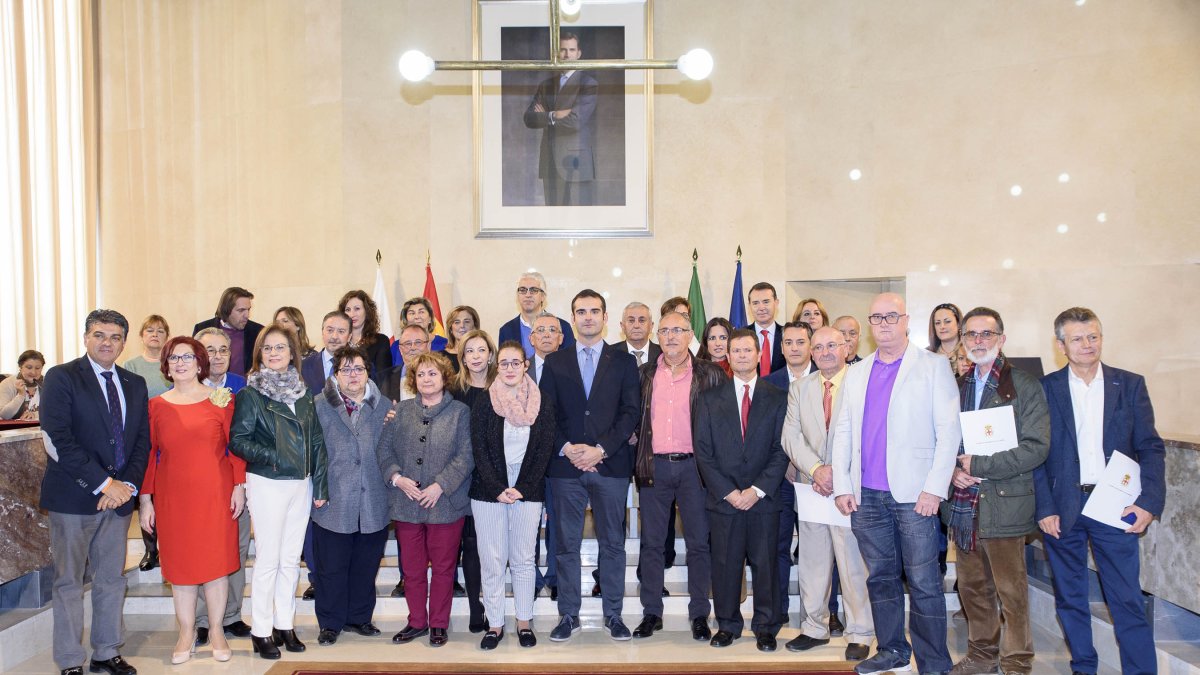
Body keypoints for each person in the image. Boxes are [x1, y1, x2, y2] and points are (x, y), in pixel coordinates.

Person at [830, 292, 960, 675]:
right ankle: (892, 651)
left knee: (924, 581)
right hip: (867, 496)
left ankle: (934, 662)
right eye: (876, 318)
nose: (884, 324)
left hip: (915, 495)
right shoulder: (857, 371)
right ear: (869, 325)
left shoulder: (933, 366)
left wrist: (935, 488)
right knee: (881, 577)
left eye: (891, 316)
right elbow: (844, 431)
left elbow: (949, 431)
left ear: (906, 320)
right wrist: (843, 485)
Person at [1034, 307, 1165, 675]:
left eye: (1093, 336)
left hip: (1117, 507)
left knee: (1126, 601)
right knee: (1070, 599)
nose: (1087, 344)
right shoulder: (1045, 389)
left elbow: (1150, 447)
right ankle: (1084, 668)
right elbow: (1037, 456)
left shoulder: (1131, 384)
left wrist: (1149, 503)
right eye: (1077, 338)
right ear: (1061, 344)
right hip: (1063, 507)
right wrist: (1044, 507)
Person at [40, 309, 151, 675]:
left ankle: (106, 651)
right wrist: (106, 483)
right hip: (74, 497)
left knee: (111, 579)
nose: (107, 343)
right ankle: (71, 660)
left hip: (118, 503)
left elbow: (141, 444)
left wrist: (128, 487)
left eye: (116, 337)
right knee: (69, 582)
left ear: (124, 342)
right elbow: (60, 439)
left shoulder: (134, 384)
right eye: (100, 335)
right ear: (86, 337)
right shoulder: (61, 377)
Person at [942, 308, 1049, 675]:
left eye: (986, 334)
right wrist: (954, 469)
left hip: (1006, 503)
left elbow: (1037, 446)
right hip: (964, 506)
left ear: (1001, 339)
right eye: (971, 335)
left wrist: (979, 466)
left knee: (1012, 593)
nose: (978, 341)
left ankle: (1017, 661)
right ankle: (982, 654)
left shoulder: (1024, 385)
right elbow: (942, 441)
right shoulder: (955, 386)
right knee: (973, 589)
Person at [539, 289, 640, 642]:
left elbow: (631, 413)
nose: (588, 317)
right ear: (573, 317)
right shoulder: (555, 361)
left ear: (605, 317)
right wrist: (569, 449)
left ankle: (614, 614)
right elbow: (545, 414)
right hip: (566, 469)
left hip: (610, 467)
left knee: (612, 544)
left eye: (594, 311)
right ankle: (568, 615)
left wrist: (600, 450)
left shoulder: (624, 361)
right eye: (581, 311)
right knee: (566, 545)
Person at [138, 336, 244, 664]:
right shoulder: (156, 406)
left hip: (215, 495)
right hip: (173, 499)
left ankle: (215, 630)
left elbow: (235, 447)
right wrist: (146, 500)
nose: (180, 363)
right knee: (181, 568)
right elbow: (149, 456)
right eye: (174, 358)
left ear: (200, 363)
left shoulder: (221, 401)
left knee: (215, 567)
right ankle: (186, 631)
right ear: (166, 366)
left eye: (187, 357)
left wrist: (239, 486)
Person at [229, 323, 329, 660]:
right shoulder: (250, 394)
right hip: (268, 481)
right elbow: (238, 440)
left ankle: (285, 624)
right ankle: (261, 630)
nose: (274, 353)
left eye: (280, 348)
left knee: (290, 559)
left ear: (292, 353)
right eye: (268, 348)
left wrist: (321, 484)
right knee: (269, 560)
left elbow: (316, 440)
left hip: (301, 483)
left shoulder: (303, 394)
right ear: (259, 354)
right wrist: (275, 457)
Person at [631, 312, 726, 641]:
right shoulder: (644, 374)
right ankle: (651, 613)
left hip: (695, 470)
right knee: (652, 544)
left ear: (690, 335)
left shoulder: (711, 374)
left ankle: (700, 613)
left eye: (679, 330)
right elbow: (633, 418)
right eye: (665, 330)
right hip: (654, 467)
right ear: (658, 335)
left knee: (699, 544)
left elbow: (723, 426)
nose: (671, 336)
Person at [693, 329, 789, 652]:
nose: (743, 355)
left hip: (763, 500)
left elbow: (781, 450)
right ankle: (728, 625)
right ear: (729, 357)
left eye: (749, 350)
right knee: (725, 565)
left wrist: (758, 489)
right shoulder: (708, 398)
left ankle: (765, 627)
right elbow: (703, 451)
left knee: (766, 566)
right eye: (737, 351)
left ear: (758, 355)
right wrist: (730, 492)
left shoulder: (776, 396)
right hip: (725, 501)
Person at [782, 326, 874, 660]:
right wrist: (817, 469)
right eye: (817, 347)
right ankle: (814, 628)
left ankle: (860, 631)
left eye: (831, 345)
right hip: (812, 488)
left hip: (849, 489)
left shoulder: (862, 381)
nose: (824, 352)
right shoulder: (799, 388)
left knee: (852, 565)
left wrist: (838, 473)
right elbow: (791, 436)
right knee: (812, 564)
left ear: (848, 347)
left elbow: (870, 433)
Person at [377, 352, 474, 648]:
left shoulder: (459, 412)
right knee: (413, 569)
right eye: (421, 375)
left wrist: (440, 486)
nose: (426, 379)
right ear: (413, 380)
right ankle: (417, 621)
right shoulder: (401, 411)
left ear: (444, 378)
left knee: (444, 568)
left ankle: (439, 624)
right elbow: (384, 451)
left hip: (445, 504)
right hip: (406, 503)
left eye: (432, 374)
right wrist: (397, 478)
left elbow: (466, 455)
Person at [469, 340, 557, 650]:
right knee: (492, 560)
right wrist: (497, 488)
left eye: (515, 363)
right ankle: (494, 624)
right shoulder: (483, 402)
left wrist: (523, 487)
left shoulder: (542, 401)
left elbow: (544, 448)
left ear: (525, 365)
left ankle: (523, 621)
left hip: (527, 488)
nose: (509, 369)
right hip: (487, 489)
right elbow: (478, 449)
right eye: (503, 363)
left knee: (522, 559)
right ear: (497, 366)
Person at [310, 346, 391, 646]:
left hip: (373, 496)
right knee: (331, 567)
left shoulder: (384, 406)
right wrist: (317, 489)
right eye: (346, 369)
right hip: (333, 498)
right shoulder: (319, 405)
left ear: (368, 372)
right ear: (336, 374)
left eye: (358, 368)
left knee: (366, 564)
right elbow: (313, 452)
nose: (353, 375)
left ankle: (359, 617)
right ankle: (330, 623)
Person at [191, 327, 252, 645]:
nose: (216, 356)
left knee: (237, 550)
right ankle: (202, 619)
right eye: (209, 350)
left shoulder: (243, 387)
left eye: (223, 350)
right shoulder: (185, 387)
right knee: (203, 550)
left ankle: (231, 615)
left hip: (235, 483)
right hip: (199, 485)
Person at [763, 320, 816, 624]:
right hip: (780, 479)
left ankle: (823, 612)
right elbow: (766, 434)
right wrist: (784, 466)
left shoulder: (825, 380)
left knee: (817, 549)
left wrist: (808, 466)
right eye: (788, 343)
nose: (794, 348)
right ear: (781, 348)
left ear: (810, 345)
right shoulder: (769, 383)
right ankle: (778, 609)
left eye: (800, 342)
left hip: (816, 479)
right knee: (778, 546)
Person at [450, 329, 500, 633]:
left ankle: (495, 604)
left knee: (491, 544)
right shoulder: (453, 389)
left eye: (482, 350)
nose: (476, 356)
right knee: (470, 543)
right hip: (463, 474)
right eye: (470, 351)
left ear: (491, 354)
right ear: (462, 357)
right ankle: (474, 607)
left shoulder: (503, 385)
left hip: (495, 474)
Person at [522, 32, 597, 206]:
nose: (567, 55)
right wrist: (554, 114)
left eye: (571, 50)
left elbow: (575, 121)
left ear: (579, 53)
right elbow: (529, 118)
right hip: (550, 161)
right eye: (563, 50)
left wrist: (545, 115)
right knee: (553, 220)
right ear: (556, 54)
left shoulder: (588, 83)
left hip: (577, 162)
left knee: (581, 221)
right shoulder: (546, 85)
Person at [528, 311, 565, 599]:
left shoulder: (570, 369)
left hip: (557, 458)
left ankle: (555, 576)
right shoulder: (516, 368)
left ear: (562, 337)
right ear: (531, 338)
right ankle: (531, 576)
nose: (547, 335)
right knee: (527, 522)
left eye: (553, 330)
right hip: (523, 461)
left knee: (556, 520)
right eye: (541, 330)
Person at [498, 272, 576, 356]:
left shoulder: (563, 327)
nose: (528, 295)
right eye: (522, 290)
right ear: (517, 296)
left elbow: (571, 362)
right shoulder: (506, 331)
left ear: (543, 296)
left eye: (533, 290)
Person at [193, 286, 264, 377]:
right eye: (241, 310)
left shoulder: (258, 331)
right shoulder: (202, 328)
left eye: (248, 309)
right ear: (226, 310)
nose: (247, 315)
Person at [339, 290, 394, 378]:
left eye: (357, 309)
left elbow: (383, 379)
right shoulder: (339, 342)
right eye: (348, 310)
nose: (352, 314)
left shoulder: (381, 341)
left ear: (367, 311)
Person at [301, 311, 353, 394]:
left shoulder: (360, 367)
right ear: (322, 332)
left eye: (341, 331)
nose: (334, 336)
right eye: (330, 330)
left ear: (349, 337)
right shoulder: (304, 366)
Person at [121, 315, 171, 399]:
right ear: (141, 336)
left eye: (160, 331)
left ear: (167, 337)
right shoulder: (130, 365)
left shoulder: (175, 363)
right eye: (150, 331)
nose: (155, 334)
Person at [746, 282, 786, 375]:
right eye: (755, 303)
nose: (761, 308)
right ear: (750, 306)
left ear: (776, 303)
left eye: (766, 302)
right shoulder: (741, 336)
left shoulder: (787, 335)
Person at [0, 349, 44, 420]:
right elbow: (4, 415)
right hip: (14, 429)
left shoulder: (48, 383)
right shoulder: (7, 384)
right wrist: (20, 395)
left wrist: (35, 415)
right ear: (20, 367)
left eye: (37, 368)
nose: (33, 372)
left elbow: (57, 410)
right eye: (29, 367)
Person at [618, 301, 661, 366]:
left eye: (642, 320)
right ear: (623, 326)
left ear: (651, 326)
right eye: (631, 321)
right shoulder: (609, 354)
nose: (636, 325)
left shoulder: (662, 353)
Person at [927, 303, 964, 374]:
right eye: (937, 323)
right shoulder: (927, 355)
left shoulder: (969, 353)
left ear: (959, 324)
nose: (942, 326)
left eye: (947, 321)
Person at [443, 305, 481, 371]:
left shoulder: (483, 355)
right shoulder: (441, 357)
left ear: (475, 326)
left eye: (466, 321)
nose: (462, 326)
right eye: (457, 322)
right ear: (451, 329)